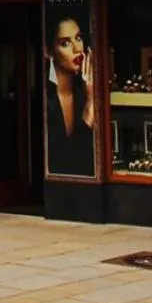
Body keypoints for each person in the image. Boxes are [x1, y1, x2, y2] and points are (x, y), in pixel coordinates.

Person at [44, 9, 96, 178]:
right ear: (49, 51)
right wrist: (90, 106)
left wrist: (90, 99)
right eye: (65, 43)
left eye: (78, 38)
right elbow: (64, 161)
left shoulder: (84, 92)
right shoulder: (45, 98)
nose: (76, 48)